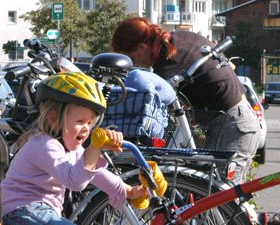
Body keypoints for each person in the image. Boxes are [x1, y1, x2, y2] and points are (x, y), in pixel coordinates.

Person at [0, 72, 147, 225]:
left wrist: (129, 191)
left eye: (91, 123)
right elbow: (76, 181)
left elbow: (97, 174)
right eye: (80, 121)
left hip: (38, 213)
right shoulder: (44, 145)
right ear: (55, 117)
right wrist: (94, 149)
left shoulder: (70, 148)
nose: (87, 129)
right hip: (23, 212)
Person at [110, 16, 261, 184]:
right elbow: (229, 67)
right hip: (234, 121)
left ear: (142, 47)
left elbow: (160, 111)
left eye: (131, 57)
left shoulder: (168, 64)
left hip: (233, 126)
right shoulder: (179, 39)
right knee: (213, 194)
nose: (134, 63)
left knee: (223, 198)